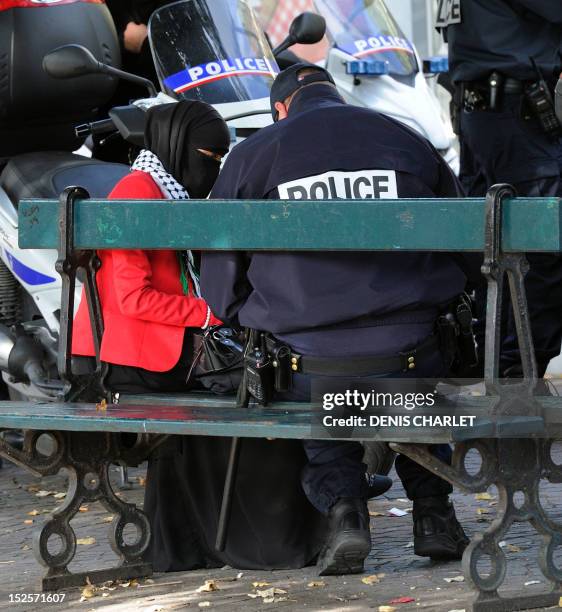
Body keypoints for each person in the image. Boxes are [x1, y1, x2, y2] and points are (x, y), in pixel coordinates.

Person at [201, 64, 472, 576]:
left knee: (321, 385)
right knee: (415, 386)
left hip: (309, 362)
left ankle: (346, 514)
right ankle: (433, 515)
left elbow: (220, 279)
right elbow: (463, 246)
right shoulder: (402, 137)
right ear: (338, 96)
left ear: (279, 109)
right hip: (409, 351)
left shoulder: (254, 155)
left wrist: (254, 316)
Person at [438, 1, 562, 378]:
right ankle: (512, 376)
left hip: (487, 110)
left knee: (491, 245)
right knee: (544, 245)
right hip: (515, 115)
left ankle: (486, 364)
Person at [72, 100, 230, 392]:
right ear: (177, 146)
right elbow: (133, 299)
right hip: (126, 356)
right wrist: (208, 313)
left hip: (156, 348)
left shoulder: (174, 195)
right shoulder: (137, 192)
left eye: (221, 159)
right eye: (209, 157)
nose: (214, 169)